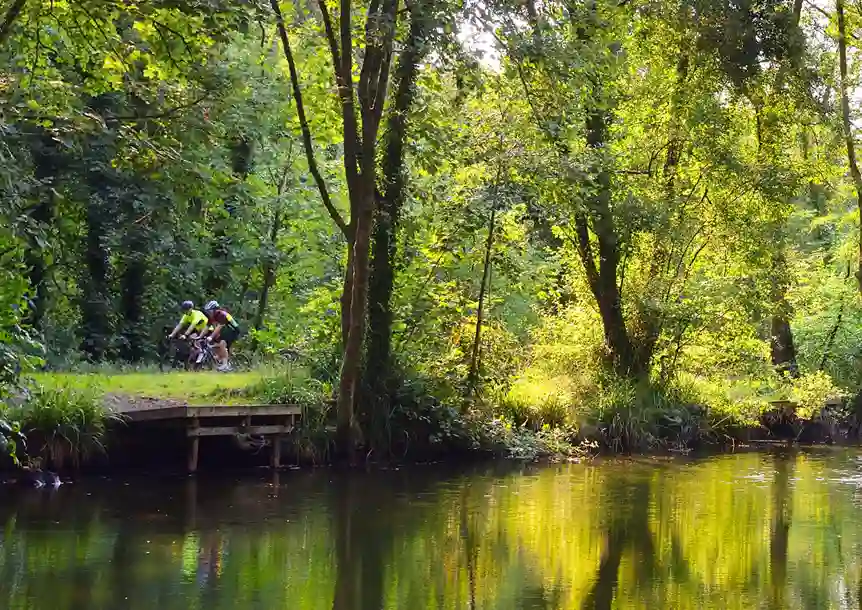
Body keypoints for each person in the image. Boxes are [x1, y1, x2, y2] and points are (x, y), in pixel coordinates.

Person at [202, 300, 241, 372]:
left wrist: (211, 336)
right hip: (225, 331)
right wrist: (200, 336)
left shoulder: (221, 314)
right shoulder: (212, 317)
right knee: (216, 344)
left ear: (215, 310)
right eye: (207, 312)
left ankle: (225, 365)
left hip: (233, 330)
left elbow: (219, 327)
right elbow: (206, 328)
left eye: (209, 311)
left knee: (222, 343)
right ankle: (221, 358)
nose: (208, 313)